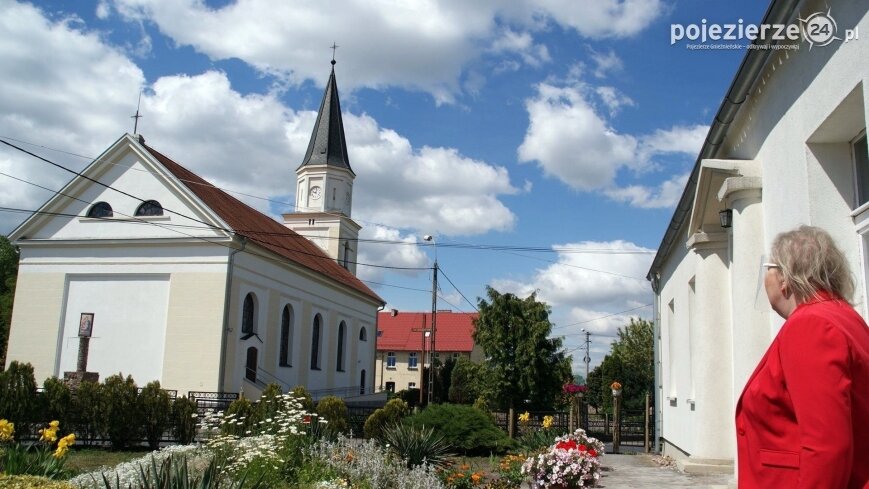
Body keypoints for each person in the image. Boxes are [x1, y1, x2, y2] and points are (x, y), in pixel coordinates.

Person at [736, 225, 869, 488]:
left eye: (768, 269)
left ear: (785, 277)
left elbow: (827, 448)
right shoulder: (844, 317)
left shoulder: (810, 325)